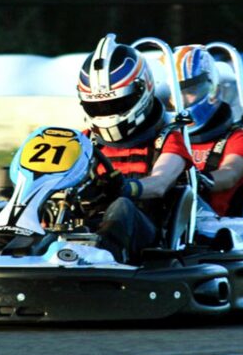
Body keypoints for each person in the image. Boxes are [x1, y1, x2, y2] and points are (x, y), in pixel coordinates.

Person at [77, 35, 193, 263]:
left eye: (115, 104)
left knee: (122, 207)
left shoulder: (168, 138)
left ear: (142, 91)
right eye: (97, 106)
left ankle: (101, 260)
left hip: (146, 235)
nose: (106, 112)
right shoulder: (85, 140)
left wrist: (125, 188)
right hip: (87, 226)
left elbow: (160, 183)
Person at [173, 44, 243, 217]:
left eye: (190, 90)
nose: (182, 101)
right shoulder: (167, 137)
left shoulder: (238, 139)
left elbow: (230, 173)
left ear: (213, 90)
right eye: (176, 93)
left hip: (207, 222)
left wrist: (197, 179)